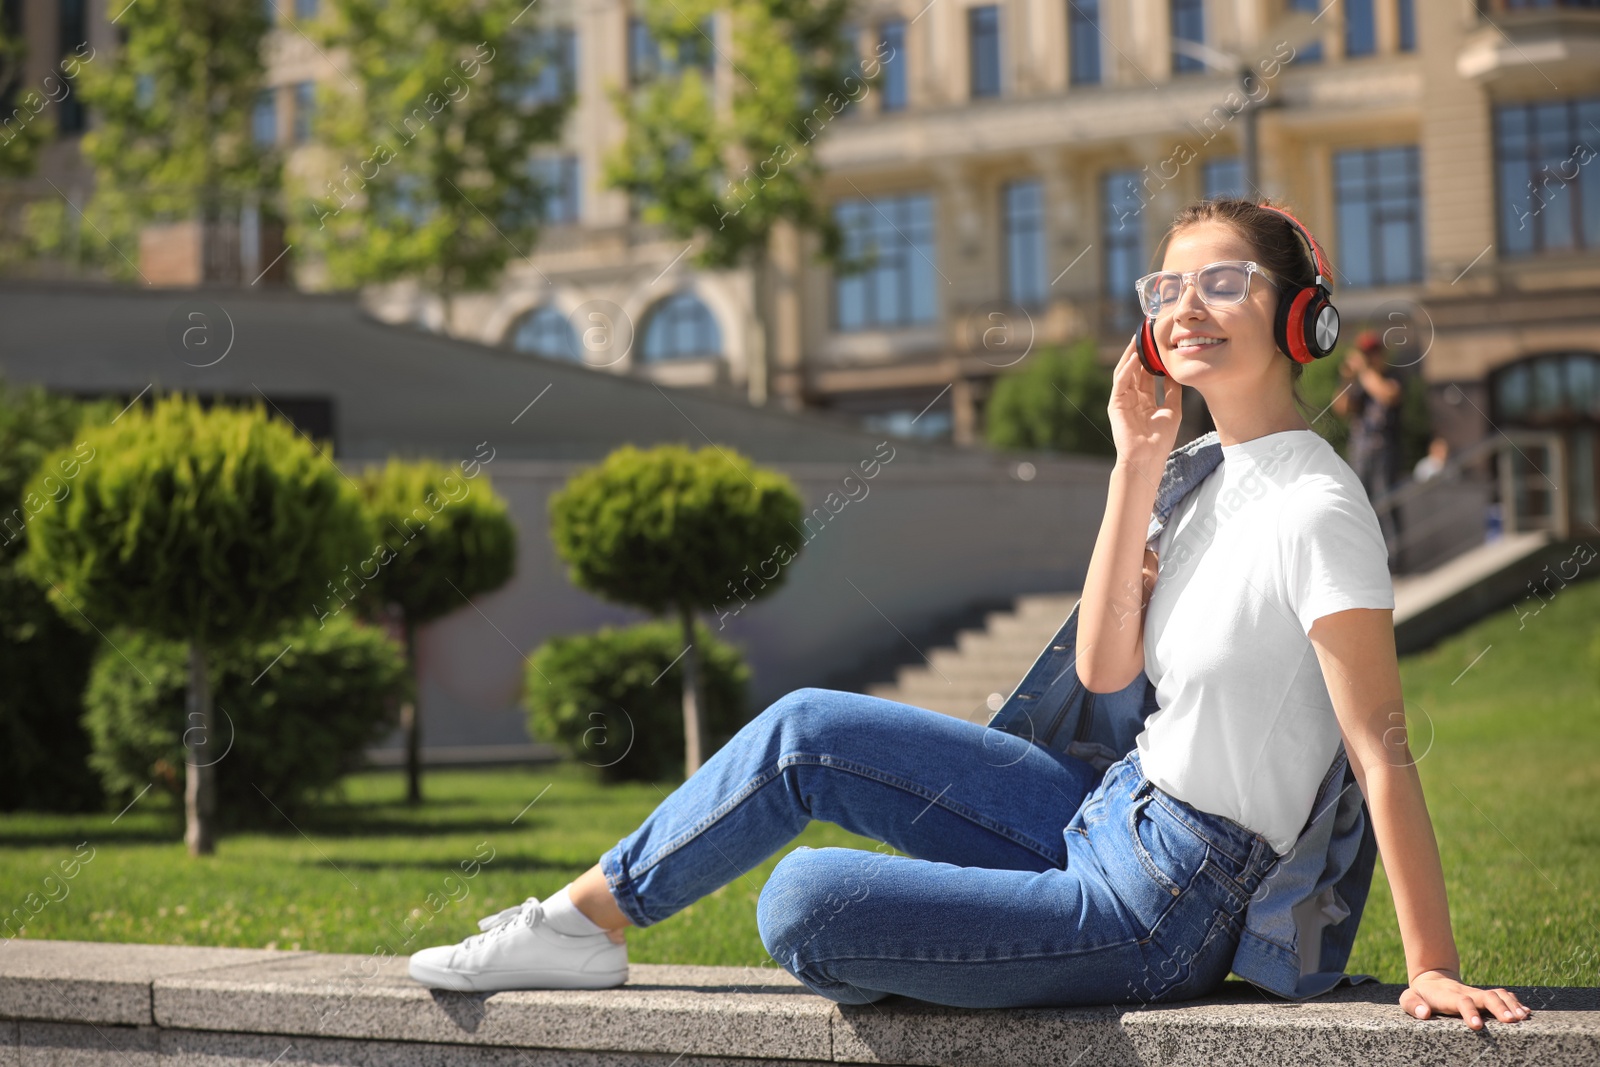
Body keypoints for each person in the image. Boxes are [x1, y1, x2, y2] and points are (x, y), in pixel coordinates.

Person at [406, 197, 1530, 1031]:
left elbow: (1379, 742)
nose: (1186, 308)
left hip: (1169, 896)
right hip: (1102, 809)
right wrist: (1132, 468)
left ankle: (1016, 936)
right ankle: (578, 923)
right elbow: (1103, 672)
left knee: (802, 899)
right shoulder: (1196, 473)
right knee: (804, 728)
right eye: (1165, 290)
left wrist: (1427, 959)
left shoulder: (1315, 500)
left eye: (1223, 282)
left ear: (1302, 317)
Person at [1333, 329, 1406, 564]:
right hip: (1360, 451)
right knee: (1361, 506)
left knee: (1387, 504)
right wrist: (1346, 378)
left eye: (1372, 352)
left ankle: (1396, 562)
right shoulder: (1360, 382)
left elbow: (1388, 395)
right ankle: (1368, 561)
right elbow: (1341, 408)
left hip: (1386, 450)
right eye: (1365, 353)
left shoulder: (1392, 376)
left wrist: (1364, 371)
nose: (1368, 357)